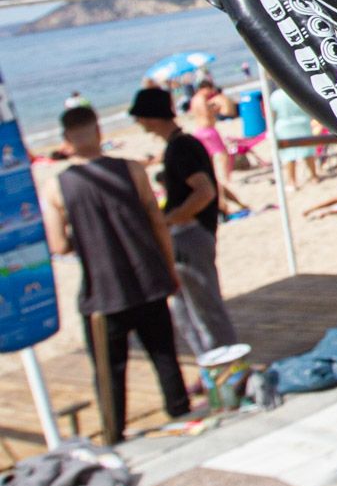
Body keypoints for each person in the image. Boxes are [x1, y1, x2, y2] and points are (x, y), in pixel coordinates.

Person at [43, 106, 192, 436]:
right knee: (164, 355)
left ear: (67, 140)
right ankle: (180, 413)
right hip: (148, 277)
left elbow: (58, 245)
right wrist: (169, 268)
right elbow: (157, 221)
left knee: (109, 371)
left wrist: (81, 232)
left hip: (103, 291)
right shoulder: (131, 169)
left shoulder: (57, 187)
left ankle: (114, 432)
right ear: (99, 132)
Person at [129, 87, 237, 365]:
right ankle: (211, 365)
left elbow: (205, 191)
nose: (139, 124)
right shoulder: (179, 145)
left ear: (151, 118)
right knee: (185, 308)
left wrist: (172, 217)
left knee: (204, 306)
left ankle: (227, 368)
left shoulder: (181, 147)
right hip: (189, 234)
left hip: (189, 235)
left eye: (140, 118)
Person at [186, 79, 248, 216]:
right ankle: (225, 178)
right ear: (206, 88)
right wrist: (213, 109)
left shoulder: (194, 100)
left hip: (199, 131)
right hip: (208, 130)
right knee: (222, 155)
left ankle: (221, 179)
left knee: (210, 160)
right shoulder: (201, 99)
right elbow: (206, 114)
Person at [268, 85, 320, 189]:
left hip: (284, 125)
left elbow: (272, 115)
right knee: (308, 151)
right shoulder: (298, 90)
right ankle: (314, 176)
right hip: (302, 122)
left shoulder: (275, 96)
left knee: (288, 155)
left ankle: (292, 180)